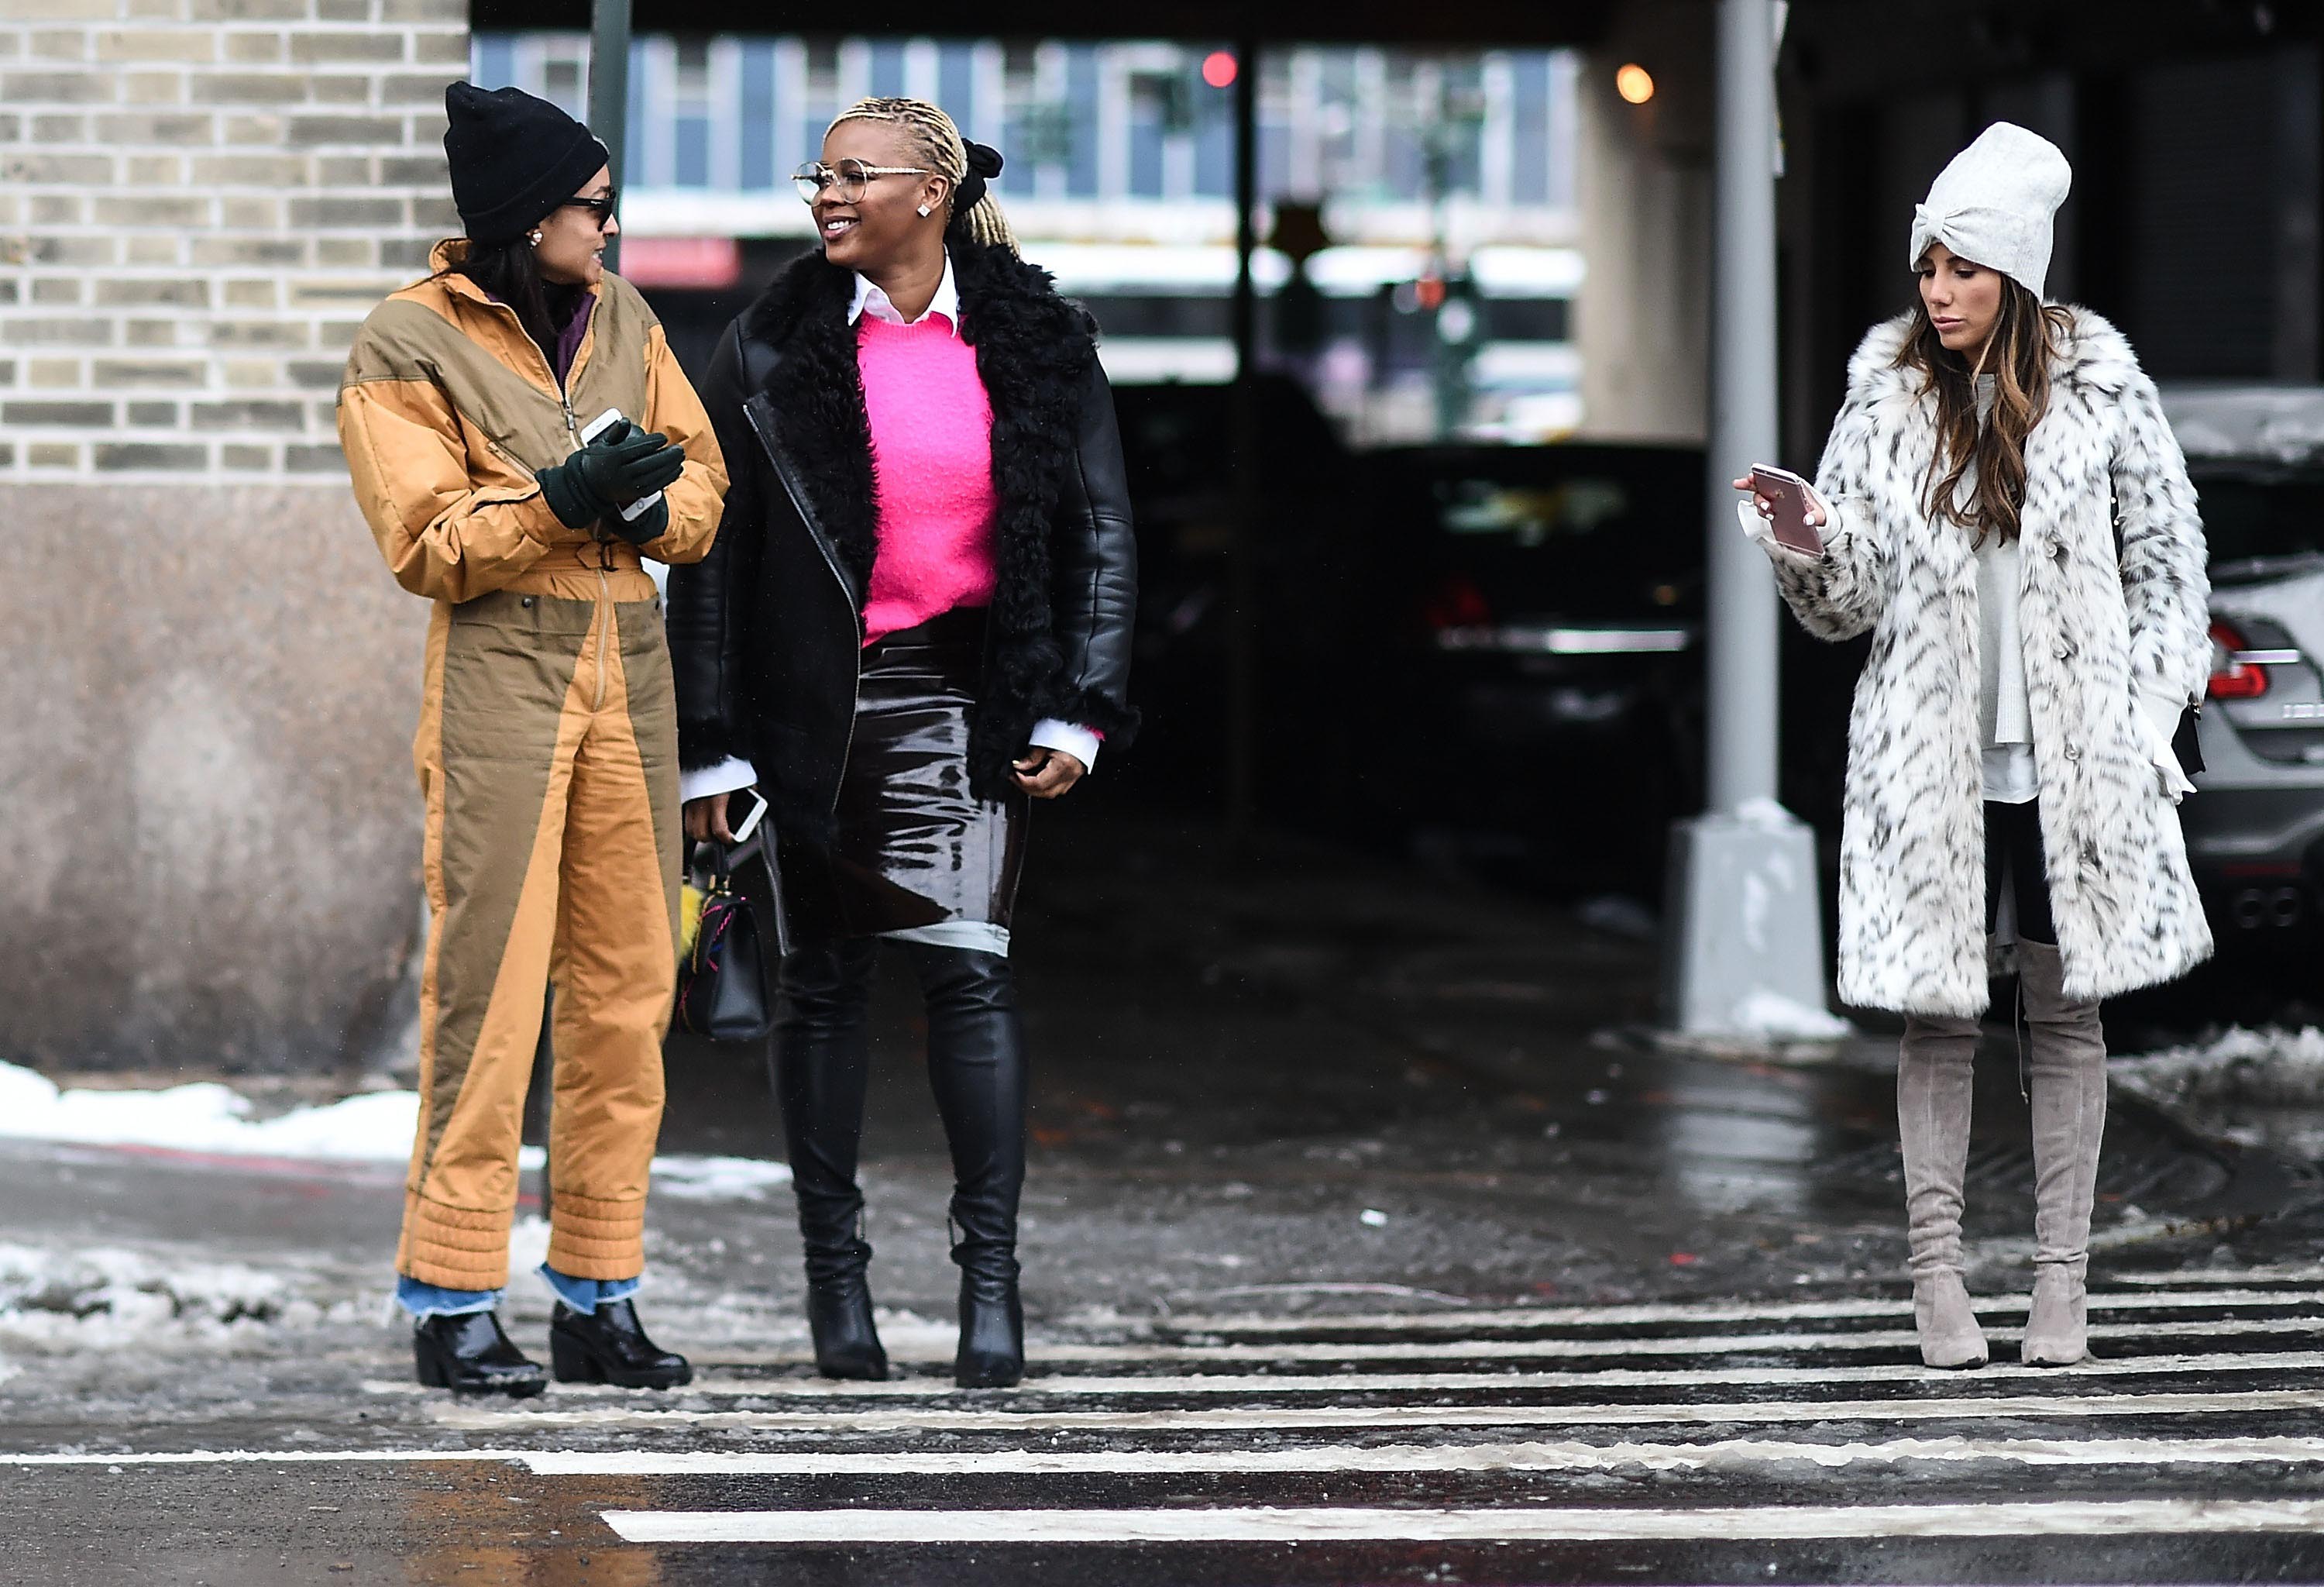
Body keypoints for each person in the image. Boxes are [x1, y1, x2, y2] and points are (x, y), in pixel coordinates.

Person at [667, 97, 1137, 1389]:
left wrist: (1075, 709)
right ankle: (838, 1286)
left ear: (929, 191)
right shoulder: (769, 346)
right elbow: (711, 560)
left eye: (852, 176)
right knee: (821, 990)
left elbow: (1100, 533)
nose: (825, 195)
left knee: (968, 974)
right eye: (817, 174)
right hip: (807, 713)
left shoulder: (1037, 342)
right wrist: (710, 751)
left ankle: (992, 1286)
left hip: (963, 700)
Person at [1737, 122, 2210, 1370]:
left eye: (1962, 270)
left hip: (2073, 763)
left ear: (2016, 274)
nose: (1937, 294)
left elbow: (2171, 572)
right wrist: (1806, 541)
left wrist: (2148, 717)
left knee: (2065, 1017)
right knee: (1938, 1025)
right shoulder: (1883, 399)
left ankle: (2064, 1287)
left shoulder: (2104, 390)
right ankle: (1936, 1285)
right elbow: (1848, 606)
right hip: (1928, 761)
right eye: (1926, 270)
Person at [339, 83, 729, 1396]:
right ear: (527, 216)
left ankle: (598, 1294)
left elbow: (705, 484)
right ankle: (452, 1298)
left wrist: (650, 499)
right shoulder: (406, 340)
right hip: (502, 679)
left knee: (629, 999)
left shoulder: (625, 317)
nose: (611, 231)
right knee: (489, 1001)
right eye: (594, 208)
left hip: (633, 670)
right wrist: (565, 500)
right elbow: (431, 546)